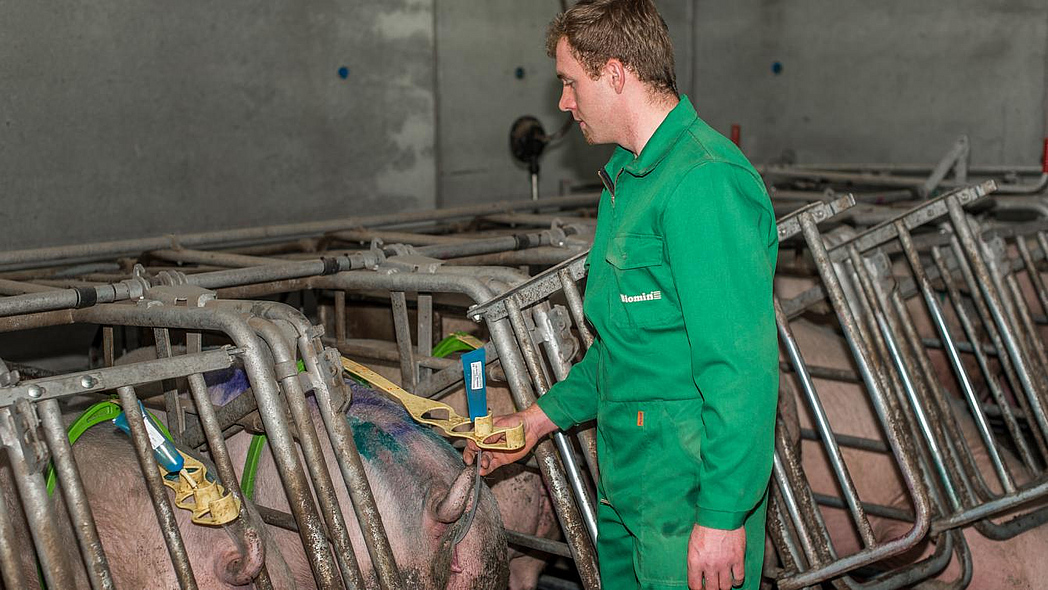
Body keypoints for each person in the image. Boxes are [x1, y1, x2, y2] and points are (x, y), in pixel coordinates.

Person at [464, 1, 779, 589]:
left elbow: (741, 367)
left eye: (569, 83)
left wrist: (721, 515)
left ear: (615, 74)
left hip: (688, 498)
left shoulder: (703, 182)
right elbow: (623, 349)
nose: (563, 102)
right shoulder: (626, 182)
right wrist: (534, 421)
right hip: (630, 486)